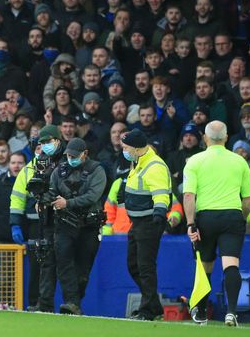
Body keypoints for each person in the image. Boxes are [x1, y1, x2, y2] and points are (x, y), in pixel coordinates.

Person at [184, 121, 250, 327]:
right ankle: (231, 312)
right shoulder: (239, 161)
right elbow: (249, 198)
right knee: (231, 264)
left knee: (206, 264)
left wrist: (190, 223)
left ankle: (201, 311)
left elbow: (189, 195)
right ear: (226, 138)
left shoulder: (195, 161)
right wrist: (240, 217)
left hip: (206, 218)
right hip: (232, 216)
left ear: (205, 138)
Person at [9, 124, 64, 312]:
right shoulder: (27, 170)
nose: (42, 151)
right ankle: (35, 303)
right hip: (34, 224)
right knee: (36, 265)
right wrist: (15, 225)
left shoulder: (61, 165)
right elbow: (17, 198)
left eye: (45, 146)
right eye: (38, 147)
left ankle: (54, 302)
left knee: (57, 264)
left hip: (57, 221)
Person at [49, 138, 107, 315]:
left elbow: (92, 196)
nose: (70, 159)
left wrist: (68, 202)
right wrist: (46, 201)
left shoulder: (97, 170)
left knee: (83, 269)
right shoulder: (59, 170)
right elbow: (52, 191)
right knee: (64, 264)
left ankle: (75, 300)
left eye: (74, 156)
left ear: (85, 154)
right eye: (68, 155)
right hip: (65, 225)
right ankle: (71, 302)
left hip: (89, 226)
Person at [121, 128, 172, 321]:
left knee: (145, 266)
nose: (123, 151)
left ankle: (148, 310)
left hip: (150, 221)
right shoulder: (138, 162)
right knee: (134, 265)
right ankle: (153, 304)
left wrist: (160, 212)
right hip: (138, 222)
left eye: (125, 147)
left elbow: (160, 192)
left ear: (135, 148)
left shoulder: (154, 165)